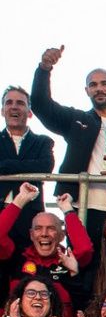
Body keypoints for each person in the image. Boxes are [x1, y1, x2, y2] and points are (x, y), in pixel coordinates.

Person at [30, 46, 106, 248]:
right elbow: (40, 104)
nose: (99, 88)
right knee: (83, 267)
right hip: (81, 205)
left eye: (105, 84)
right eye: (93, 85)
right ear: (86, 90)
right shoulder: (76, 120)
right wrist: (44, 68)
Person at [1, 186, 91, 317]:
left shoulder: (68, 262)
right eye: (38, 228)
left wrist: (68, 210)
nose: (44, 233)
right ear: (31, 235)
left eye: (51, 228)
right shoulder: (18, 257)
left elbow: (85, 249)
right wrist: (20, 200)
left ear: (61, 235)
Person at [0, 85, 54, 254]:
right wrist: (27, 166)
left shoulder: (43, 142)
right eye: (9, 103)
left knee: (27, 273)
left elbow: (45, 167)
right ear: (2, 111)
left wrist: (5, 166)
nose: (14, 106)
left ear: (29, 112)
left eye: (20, 103)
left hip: (30, 217)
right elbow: (35, 166)